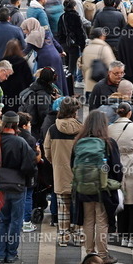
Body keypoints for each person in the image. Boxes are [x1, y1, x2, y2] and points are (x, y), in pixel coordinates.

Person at [0, 111, 37, 263]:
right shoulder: (20, 142)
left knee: (4, 220)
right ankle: (12, 253)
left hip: (1, 186)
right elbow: (30, 165)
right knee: (16, 221)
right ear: (16, 124)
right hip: (18, 186)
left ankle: (1, 254)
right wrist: (25, 179)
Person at [71, 110, 123, 264]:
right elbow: (117, 167)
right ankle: (103, 255)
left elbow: (72, 165)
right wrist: (115, 183)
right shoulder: (108, 143)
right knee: (102, 221)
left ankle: (89, 253)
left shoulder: (79, 142)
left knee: (87, 220)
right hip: (102, 189)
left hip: (83, 188)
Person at [43, 96, 83, 245]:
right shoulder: (82, 129)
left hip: (60, 173)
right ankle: (78, 236)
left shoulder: (53, 129)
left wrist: (55, 162)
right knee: (79, 206)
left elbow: (47, 151)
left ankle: (63, 237)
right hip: (79, 174)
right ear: (74, 112)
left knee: (63, 207)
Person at [108, 101, 133, 248]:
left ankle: (123, 236)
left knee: (121, 202)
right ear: (129, 113)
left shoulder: (109, 128)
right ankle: (132, 238)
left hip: (116, 165)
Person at [21, 17, 68, 95]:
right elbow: (55, 42)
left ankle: (51, 96)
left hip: (45, 59)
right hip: (56, 56)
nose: (24, 32)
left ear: (29, 27)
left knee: (46, 79)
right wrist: (61, 51)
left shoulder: (32, 36)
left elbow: (26, 51)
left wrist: (16, 56)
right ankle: (61, 95)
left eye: (25, 29)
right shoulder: (45, 31)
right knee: (58, 77)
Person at [19, 66, 61, 140]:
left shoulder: (35, 86)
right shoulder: (43, 94)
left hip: (32, 123)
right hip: (37, 128)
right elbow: (44, 114)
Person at [18, 111, 40, 233]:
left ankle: (18, 221)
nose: (30, 125)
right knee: (27, 197)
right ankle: (26, 223)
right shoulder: (30, 139)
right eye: (29, 123)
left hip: (15, 173)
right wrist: (38, 151)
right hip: (29, 172)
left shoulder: (13, 136)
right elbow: (36, 158)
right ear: (24, 125)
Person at [58, 0, 87, 88]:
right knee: (73, 66)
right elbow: (80, 32)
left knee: (66, 65)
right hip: (74, 44)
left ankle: (66, 83)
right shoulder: (76, 16)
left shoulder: (62, 17)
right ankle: (71, 86)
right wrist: (82, 45)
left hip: (64, 43)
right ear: (74, 6)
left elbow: (59, 32)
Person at [81, 27, 116, 100]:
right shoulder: (104, 48)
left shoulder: (86, 48)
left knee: (90, 103)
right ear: (100, 36)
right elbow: (111, 64)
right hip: (101, 81)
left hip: (89, 80)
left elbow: (83, 65)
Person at [1, 39, 34, 112]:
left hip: (6, 93)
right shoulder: (23, 62)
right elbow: (29, 79)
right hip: (20, 92)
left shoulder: (2, 62)